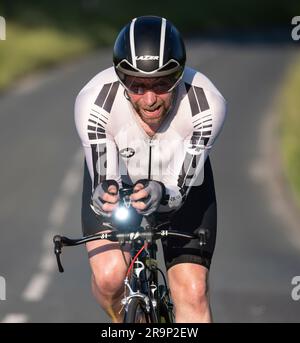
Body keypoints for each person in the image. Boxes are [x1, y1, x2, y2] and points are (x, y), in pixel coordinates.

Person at [75, 15, 226, 323]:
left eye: (162, 83)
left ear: (180, 74)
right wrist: (106, 196)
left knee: (192, 291)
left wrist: (160, 191)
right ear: (121, 79)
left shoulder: (206, 104)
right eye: (137, 86)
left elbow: (180, 191)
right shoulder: (94, 102)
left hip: (181, 188)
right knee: (109, 278)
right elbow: (104, 180)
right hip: (121, 183)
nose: (150, 99)